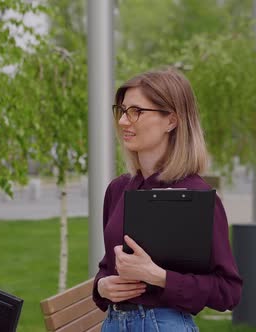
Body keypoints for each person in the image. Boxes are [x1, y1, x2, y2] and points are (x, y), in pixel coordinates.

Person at [92, 68, 242, 331]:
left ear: (171, 120)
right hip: (113, 324)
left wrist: (158, 276)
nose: (124, 121)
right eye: (122, 110)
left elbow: (228, 291)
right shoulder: (118, 189)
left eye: (137, 111)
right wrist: (102, 286)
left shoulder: (196, 196)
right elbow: (107, 267)